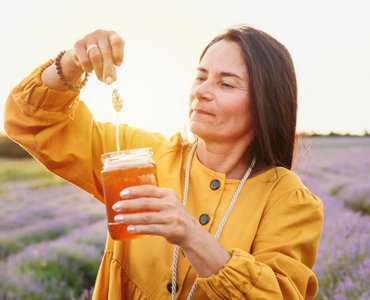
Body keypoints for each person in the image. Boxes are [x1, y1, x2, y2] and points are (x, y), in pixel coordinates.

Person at [4, 25, 323, 299]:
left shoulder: (289, 201)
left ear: (266, 103)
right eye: (200, 77)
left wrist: (190, 234)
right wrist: (73, 62)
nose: (201, 92)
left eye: (226, 83)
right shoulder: (139, 156)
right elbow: (30, 121)